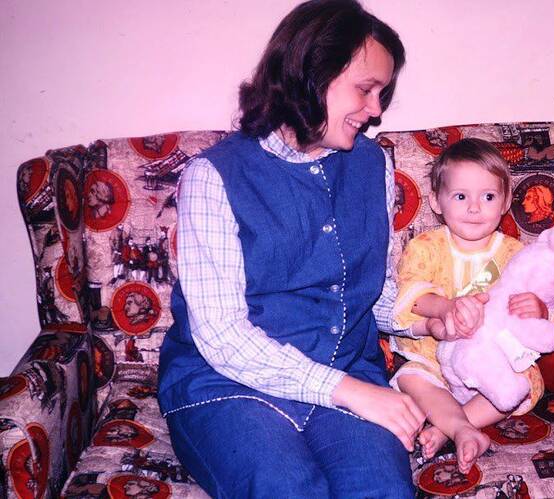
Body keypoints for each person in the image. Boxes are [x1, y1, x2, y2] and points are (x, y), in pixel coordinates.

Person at [156, 1, 424, 497]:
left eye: (382, 93)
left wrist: (429, 317)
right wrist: (351, 393)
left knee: (381, 491)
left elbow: (370, 291)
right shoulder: (212, 176)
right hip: (228, 385)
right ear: (309, 73)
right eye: (366, 89)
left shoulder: (373, 167)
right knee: (286, 488)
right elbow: (222, 335)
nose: (376, 111)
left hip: (345, 371)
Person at [390, 138, 549, 474]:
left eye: (488, 197)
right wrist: (445, 308)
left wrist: (539, 309)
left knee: (523, 386)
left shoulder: (515, 254)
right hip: (433, 354)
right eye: (461, 197)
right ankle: (462, 430)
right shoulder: (425, 247)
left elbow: (544, 299)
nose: (475, 208)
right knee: (410, 379)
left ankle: (447, 428)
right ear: (436, 201)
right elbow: (410, 295)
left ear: (505, 202)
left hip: (491, 362)